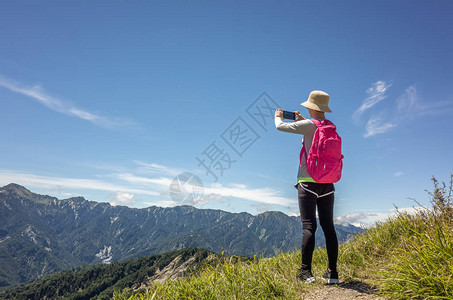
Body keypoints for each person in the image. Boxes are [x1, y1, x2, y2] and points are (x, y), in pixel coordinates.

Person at [274, 90, 339, 284]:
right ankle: (333, 273)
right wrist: (303, 120)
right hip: (328, 183)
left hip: (308, 183)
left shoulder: (308, 125)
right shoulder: (331, 126)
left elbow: (281, 127)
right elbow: (313, 132)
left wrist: (277, 117)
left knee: (309, 226)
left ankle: (305, 272)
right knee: (329, 227)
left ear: (311, 107)